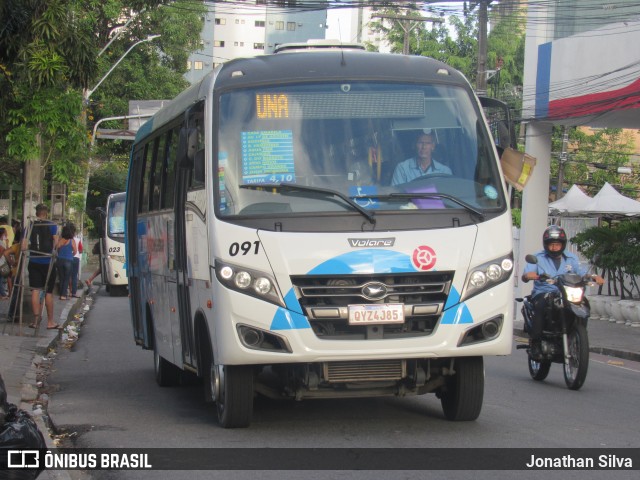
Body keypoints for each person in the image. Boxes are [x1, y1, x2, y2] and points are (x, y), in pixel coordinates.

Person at [521, 225, 604, 357]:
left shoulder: (571, 258)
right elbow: (527, 273)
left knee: (584, 302)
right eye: (552, 245)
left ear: (563, 244)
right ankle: (536, 343)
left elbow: (582, 272)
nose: (554, 247)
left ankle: (579, 334)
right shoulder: (537, 257)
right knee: (542, 304)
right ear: (546, 244)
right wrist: (530, 275)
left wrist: (593, 277)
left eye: (557, 244)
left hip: (566, 292)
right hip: (544, 292)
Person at [22, 203, 60, 330]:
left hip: (34, 261)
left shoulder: (30, 225)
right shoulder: (52, 225)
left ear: (36, 213)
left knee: (35, 291)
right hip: (48, 263)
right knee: (48, 292)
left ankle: (36, 321)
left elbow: (23, 246)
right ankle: (50, 322)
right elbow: (56, 244)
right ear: (46, 213)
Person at [55, 223, 77, 300]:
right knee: (67, 278)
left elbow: (57, 247)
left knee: (61, 277)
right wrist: (70, 255)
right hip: (69, 260)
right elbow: (75, 251)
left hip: (60, 260)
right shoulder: (72, 240)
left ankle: (61, 294)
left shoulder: (61, 240)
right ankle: (64, 295)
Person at [70, 230, 83, 297]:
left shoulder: (66, 239)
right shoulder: (78, 240)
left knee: (68, 276)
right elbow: (81, 250)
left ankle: (68, 291)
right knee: (74, 276)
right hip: (76, 258)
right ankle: (74, 292)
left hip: (68, 258)